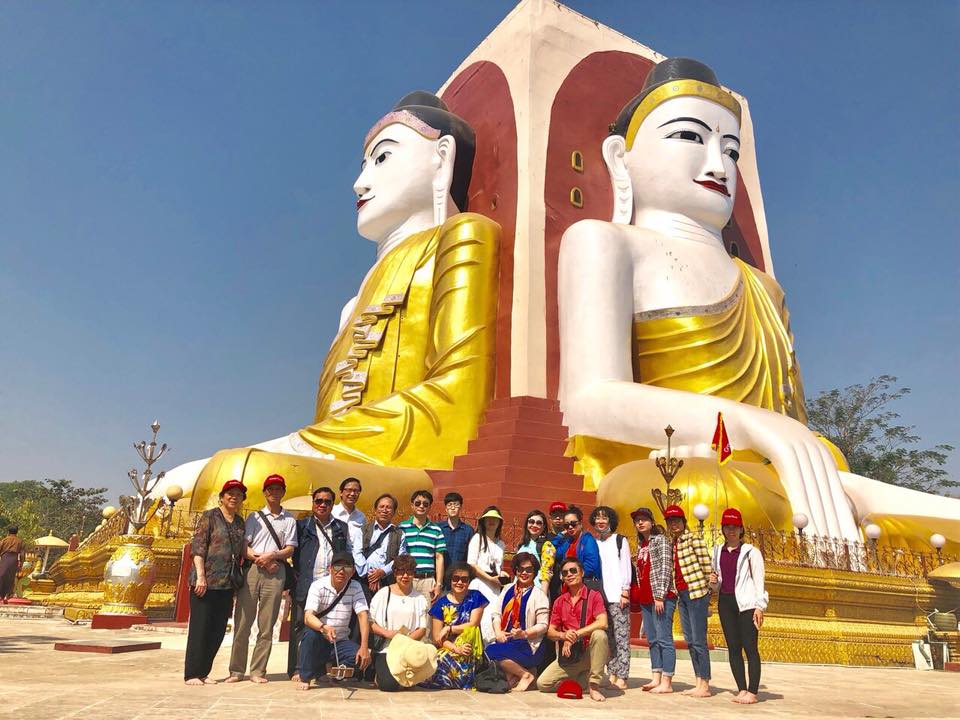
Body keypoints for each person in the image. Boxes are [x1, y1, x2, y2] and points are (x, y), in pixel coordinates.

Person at [557, 57, 859, 544]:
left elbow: (795, 429)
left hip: (772, 468)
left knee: (868, 493)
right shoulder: (606, 241)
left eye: (731, 150)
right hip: (683, 465)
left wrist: (785, 440)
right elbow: (588, 399)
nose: (719, 165)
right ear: (620, 158)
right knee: (703, 491)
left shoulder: (765, 288)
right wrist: (748, 424)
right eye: (689, 136)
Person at [170, 90, 500, 522]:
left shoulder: (462, 237)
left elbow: (455, 403)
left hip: (409, 469)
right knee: (234, 476)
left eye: (382, 159)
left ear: (442, 157)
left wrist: (293, 445)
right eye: (364, 165)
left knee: (240, 472)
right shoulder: (354, 303)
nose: (360, 183)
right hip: (346, 460)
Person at [228, 474, 297, 683]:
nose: (274, 492)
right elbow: (244, 547)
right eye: (270, 489)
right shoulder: (254, 517)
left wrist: (272, 556)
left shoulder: (289, 519)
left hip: (276, 572)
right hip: (253, 569)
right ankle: (236, 670)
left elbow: (290, 549)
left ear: (283, 492)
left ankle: (258, 670)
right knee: (243, 623)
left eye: (278, 489)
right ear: (265, 492)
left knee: (267, 625)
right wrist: (263, 560)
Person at [184, 479, 247, 686]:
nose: (234, 497)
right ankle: (192, 673)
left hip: (227, 582)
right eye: (230, 493)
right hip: (206, 581)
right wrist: (201, 576)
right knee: (200, 627)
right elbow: (199, 547)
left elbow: (242, 551)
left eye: (238, 494)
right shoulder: (210, 517)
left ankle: (204, 671)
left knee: (217, 629)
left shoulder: (239, 522)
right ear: (222, 497)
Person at [289, 486, 353, 681]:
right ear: (313, 503)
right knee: (301, 626)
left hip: (331, 586)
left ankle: (320, 669)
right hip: (307, 583)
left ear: (332, 504)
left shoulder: (341, 528)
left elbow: (345, 554)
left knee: (325, 627)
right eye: (319, 501)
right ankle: (298, 668)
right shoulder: (302, 526)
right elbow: (294, 553)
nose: (322, 505)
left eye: (327, 501)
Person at [710, 508, 767, 704]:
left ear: (741, 529)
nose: (731, 531)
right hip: (726, 602)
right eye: (727, 527)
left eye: (735, 527)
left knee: (750, 647)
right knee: (733, 647)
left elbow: (759, 581)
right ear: (723, 529)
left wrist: (760, 606)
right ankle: (742, 688)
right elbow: (718, 583)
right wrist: (713, 582)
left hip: (747, 604)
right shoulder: (717, 551)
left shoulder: (751, 552)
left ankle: (753, 691)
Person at [536, 557, 609, 703]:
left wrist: (575, 634)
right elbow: (550, 631)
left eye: (573, 570)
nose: (569, 574)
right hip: (571, 655)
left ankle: (594, 685)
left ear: (582, 573)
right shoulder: (560, 601)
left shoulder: (594, 596)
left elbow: (603, 622)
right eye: (565, 573)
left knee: (600, 635)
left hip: (589, 652)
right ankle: (583, 679)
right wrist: (563, 635)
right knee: (543, 684)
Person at [296, 551, 371, 690]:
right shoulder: (318, 586)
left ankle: (331, 672)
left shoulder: (355, 587)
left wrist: (364, 646)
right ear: (330, 568)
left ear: (353, 571)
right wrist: (323, 627)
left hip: (340, 641)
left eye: (346, 567)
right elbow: (308, 616)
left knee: (360, 658)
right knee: (310, 636)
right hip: (320, 638)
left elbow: (363, 615)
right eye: (337, 567)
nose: (341, 571)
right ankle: (305, 677)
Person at [664, 504, 713, 697]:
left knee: (699, 640)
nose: (674, 524)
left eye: (677, 521)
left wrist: (707, 593)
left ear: (684, 522)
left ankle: (705, 683)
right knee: (690, 640)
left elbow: (707, 567)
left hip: (696, 593)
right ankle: (698, 680)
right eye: (670, 522)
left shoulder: (694, 539)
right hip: (682, 595)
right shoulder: (673, 543)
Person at [486, 551, 550, 692]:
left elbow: (543, 625)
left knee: (491, 651)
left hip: (528, 644)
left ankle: (525, 675)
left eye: (529, 570)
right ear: (515, 571)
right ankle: (522, 674)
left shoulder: (539, 595)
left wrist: (524, 633)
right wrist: (498, 632)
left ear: (535, 572)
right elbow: (496, 613)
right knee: (504, 679)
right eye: (520, 569)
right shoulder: (507, 589)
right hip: (507, 640)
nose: (524, 573)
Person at [420, 562, 488, 689]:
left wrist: (449, 628)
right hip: (448, 648)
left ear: (469, 581)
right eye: (456, 578)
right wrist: (456, 649)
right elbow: (437, 637)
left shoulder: (476, 597)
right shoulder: (441, 604)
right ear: (450, 580)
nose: (460, 582)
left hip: (469, 650)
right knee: (435, 662)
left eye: (464, 579)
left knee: (443, 667)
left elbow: (473, 624)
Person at [368, 554, 430, 691]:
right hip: (386, 648)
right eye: (401, 572)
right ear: (395, 573)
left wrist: (404, 641)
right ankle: (379, 675)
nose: (405, 576)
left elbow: (422, 629)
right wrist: (387, 633)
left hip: (409, 649)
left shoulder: (419, 598)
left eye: (409, 572)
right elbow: (370, 623)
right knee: (389, 685)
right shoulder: (383, 593)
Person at [632, 507, 676, 694]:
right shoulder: (641, 545)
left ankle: (667, 681)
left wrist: (659, 596)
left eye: (644, 519)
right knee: (652, 640)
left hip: (661, 597)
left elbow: (665, 568)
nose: (640, 523)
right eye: (637, 521)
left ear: (652, 522)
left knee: (664, 639)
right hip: (645, 598)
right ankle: (656, 677)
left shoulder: (660, 540)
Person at [590, 506, 632, 690]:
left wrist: (625, 591)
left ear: (610, 521)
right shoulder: (594, 543)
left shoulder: (620, 541)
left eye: (604, 518)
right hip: (600, 596)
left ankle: (622, 676)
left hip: (617, 595)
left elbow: (626, 566)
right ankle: (612, 673)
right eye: (597, 518)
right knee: (608, 638)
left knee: (622, 637)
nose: (600, 521)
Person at [398, 490, 446, 605]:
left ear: (429, 507)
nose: (421, 506)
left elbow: (439, 558)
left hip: (427, 581)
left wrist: (439, 584)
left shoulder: (436, 530)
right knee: (406, 613)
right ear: (412, 505)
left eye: (425, 504)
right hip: (407, 579)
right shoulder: (402, 527)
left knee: (428, 614)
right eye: (418, 503)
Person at [357, 492, 407, 601]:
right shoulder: (363, 530)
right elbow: (357, 553)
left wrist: (382, 572)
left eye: (389, 507)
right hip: (364, 580)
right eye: (382, 506)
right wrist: (371, 575)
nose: (385, 510)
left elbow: (400, 558)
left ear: (394, 512)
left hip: (388, 580)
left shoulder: (399, 534)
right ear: (375, 510)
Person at [552, 506, 602, 588]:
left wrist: (573, 576)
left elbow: (591, 565)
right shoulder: (568, 542)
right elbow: (552, 551)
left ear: (580, 523)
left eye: (573, 524)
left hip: (584, 586)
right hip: (570, 586)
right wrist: (560, 535)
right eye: (566, 525)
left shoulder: (587, 540)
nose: (570, 527)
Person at [516, 509, 556, 595]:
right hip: (518, 591)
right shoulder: (522, 545)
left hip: (536, 591)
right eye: (531, 522)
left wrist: (543, 596)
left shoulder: (547, 545)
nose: (534, 525)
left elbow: (546, 572)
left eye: (539, 523)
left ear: (544, 527)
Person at [440, 492, 474, 572]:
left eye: (456, 505)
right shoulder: (438, 528)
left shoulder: (468, 530)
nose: (453, 508)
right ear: (446, 508)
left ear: (460, 507)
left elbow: (471, 554)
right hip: (440, 573)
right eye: (449, 505)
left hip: (459, 575)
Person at [0, 526, 25, 603]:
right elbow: (22, 554)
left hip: (5, 558)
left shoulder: (4, 540)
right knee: (11, 578)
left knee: (1, 576)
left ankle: (1, 595)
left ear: (8, 532)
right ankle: (6, 596)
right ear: (17, 532)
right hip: (14, 559)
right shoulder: (20, 541)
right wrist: (21, 564)